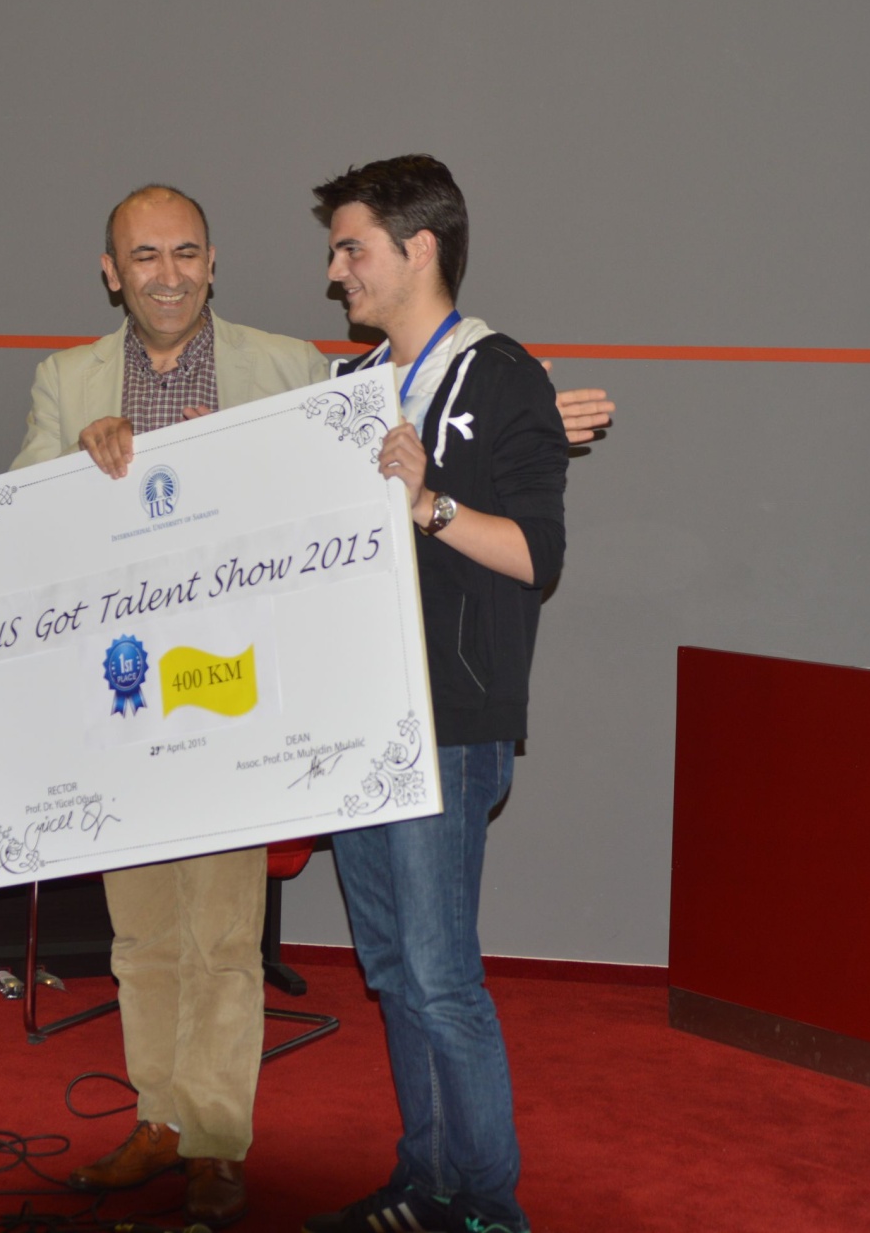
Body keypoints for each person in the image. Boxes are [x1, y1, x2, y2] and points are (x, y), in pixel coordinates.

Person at [14, 185, 609, 1227]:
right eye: (144, 256)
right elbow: (21, 520)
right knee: (292, 957)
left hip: (271, 702)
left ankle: (392, 1182)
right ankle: (335, 1161)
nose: (167, 273)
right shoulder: (78, 382)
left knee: (376, 965)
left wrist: (530, 415)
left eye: (186, 252)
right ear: (112, 272)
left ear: (211, 263)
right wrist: (77, 466)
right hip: (157, 713)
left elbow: (464, 444)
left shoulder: (291, 366)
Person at [303, 156, 563, 1233]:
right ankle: (425, 1181)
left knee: (441, 975)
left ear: (418, 249)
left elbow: (537, 556)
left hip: (448, 722)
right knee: (393, 970)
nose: (335, 272)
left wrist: (428, 504)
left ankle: (488, 1206)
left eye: (351, 248)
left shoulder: (502, 375)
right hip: (356, 719)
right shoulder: (348, 388)